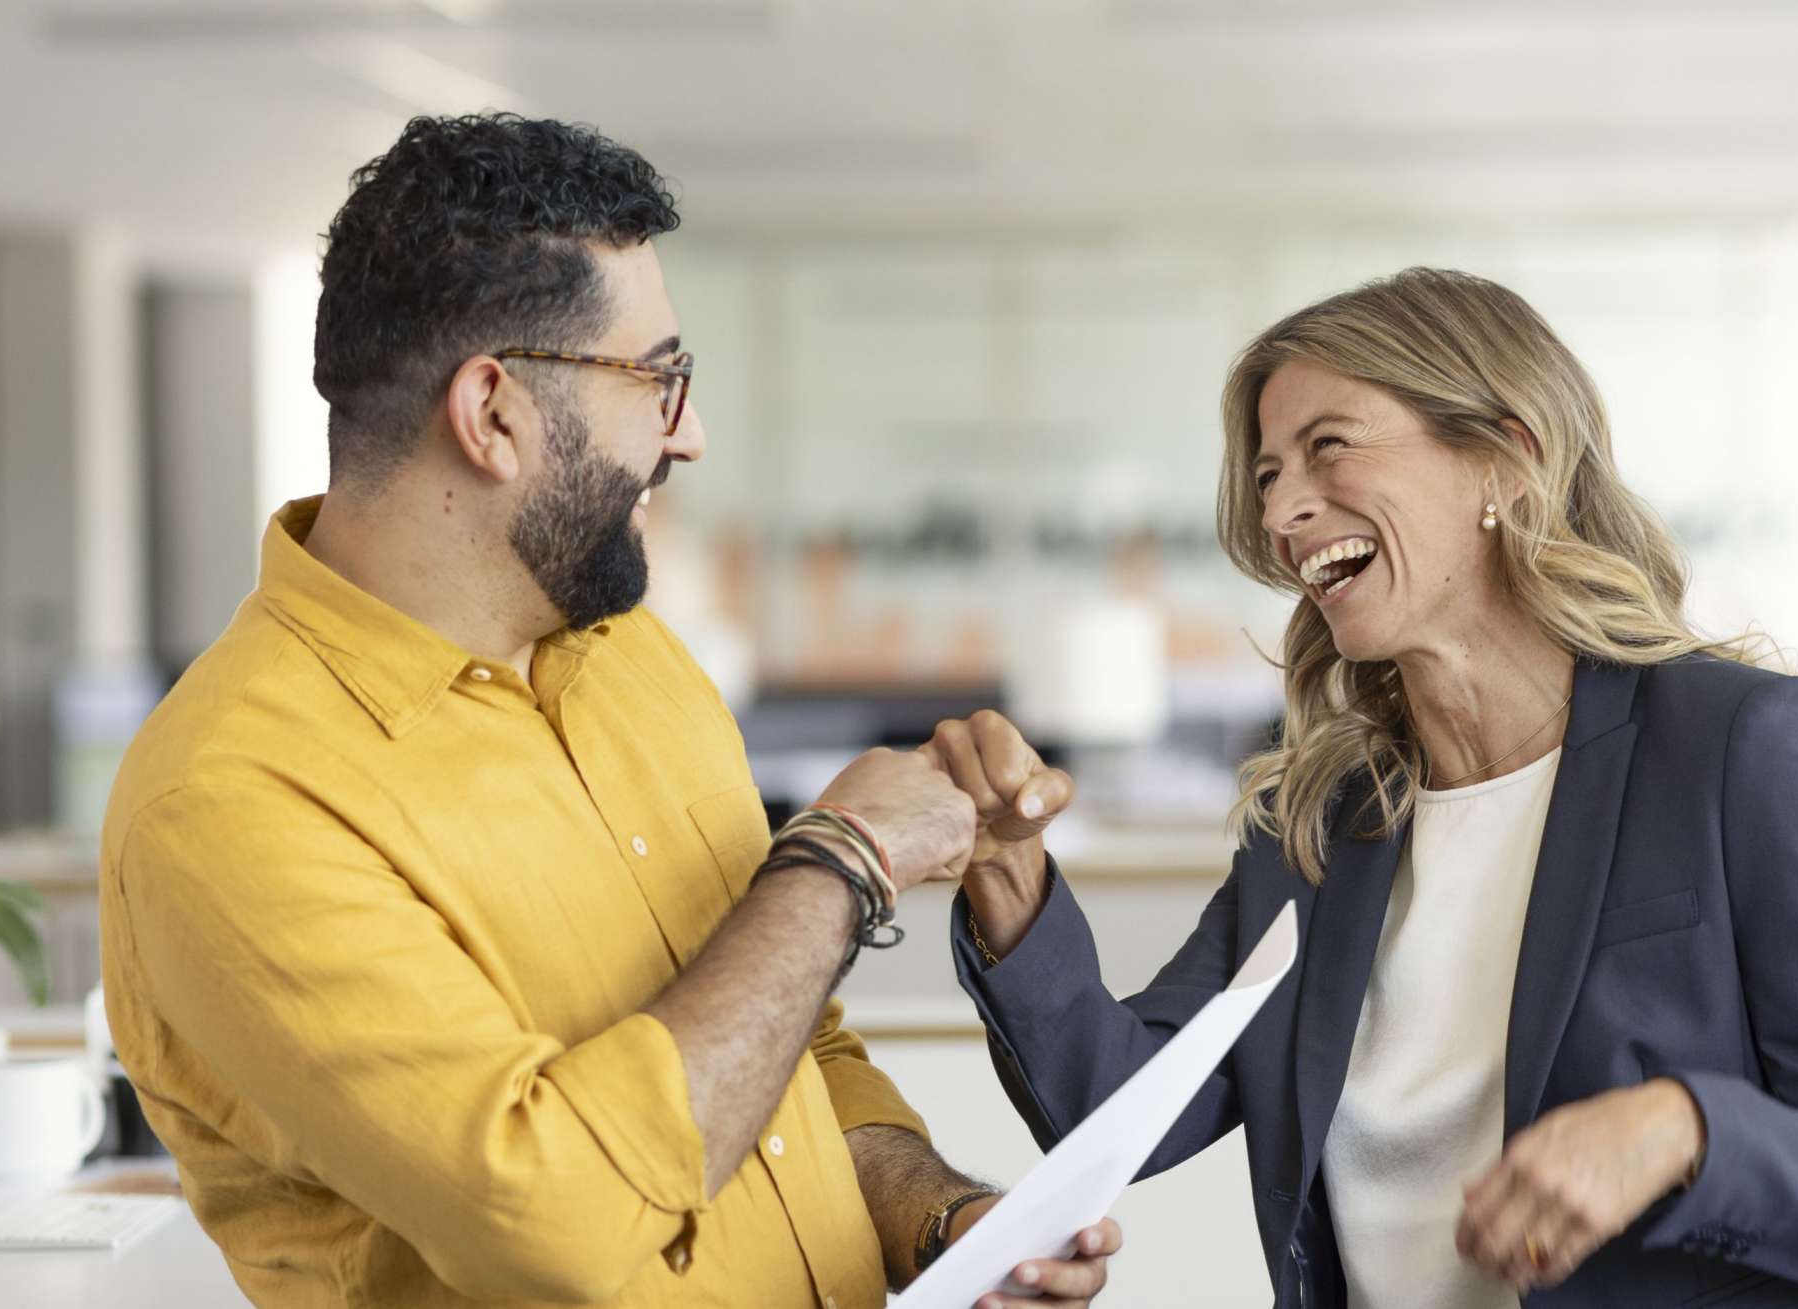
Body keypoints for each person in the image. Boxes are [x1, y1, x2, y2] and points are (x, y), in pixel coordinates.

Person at [97, 114, 1119, 1309]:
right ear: (493, 413)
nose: (690, 434)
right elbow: (560, 1222)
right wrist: (842, 860)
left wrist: (944, 1223)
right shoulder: (231, 803)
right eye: (658, 379)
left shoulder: (633, 658)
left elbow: (786, 1053)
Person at [934, 269, 1798, 1307]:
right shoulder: (1319, 823)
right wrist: (1010, 876)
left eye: (1330, 446)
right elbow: (1123, 1109)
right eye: (1268, 474)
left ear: (1505, 460)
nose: (1284, 510)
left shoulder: (1741, 746)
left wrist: (1683, 1127)